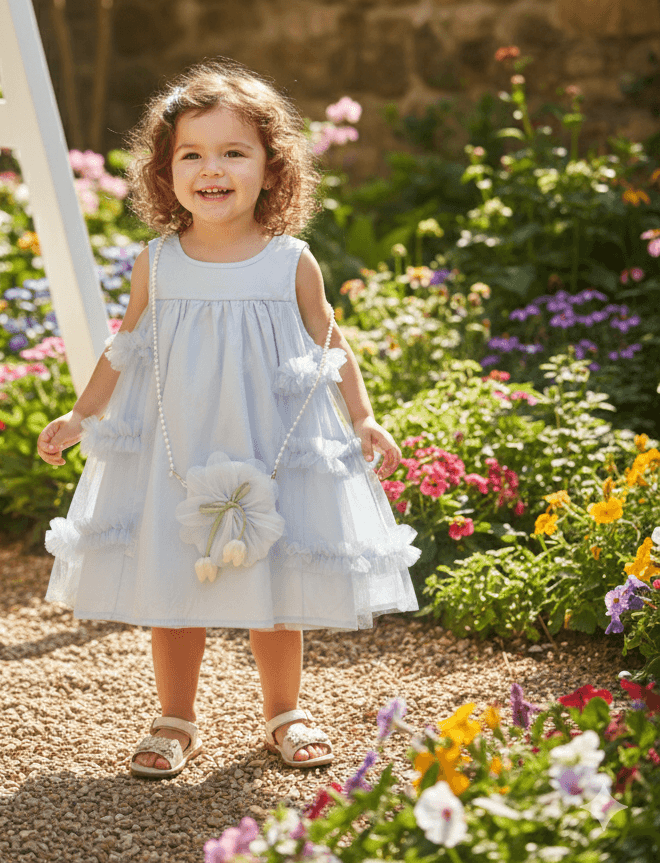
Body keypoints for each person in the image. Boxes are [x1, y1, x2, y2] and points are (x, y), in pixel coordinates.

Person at [37, 58, 419, 779]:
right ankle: (176, 716)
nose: (211, 169)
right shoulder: (159, 262)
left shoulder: (290, 261)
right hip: (178, 445)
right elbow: (127, 346)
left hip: (268, 441)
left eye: (233, 152)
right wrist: (81, 413)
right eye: (192, 154)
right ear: (165, 171)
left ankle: (284, 712)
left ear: (273, 169)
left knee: (272, 579)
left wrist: (363, 418)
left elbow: (330, 344)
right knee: (174, 580)